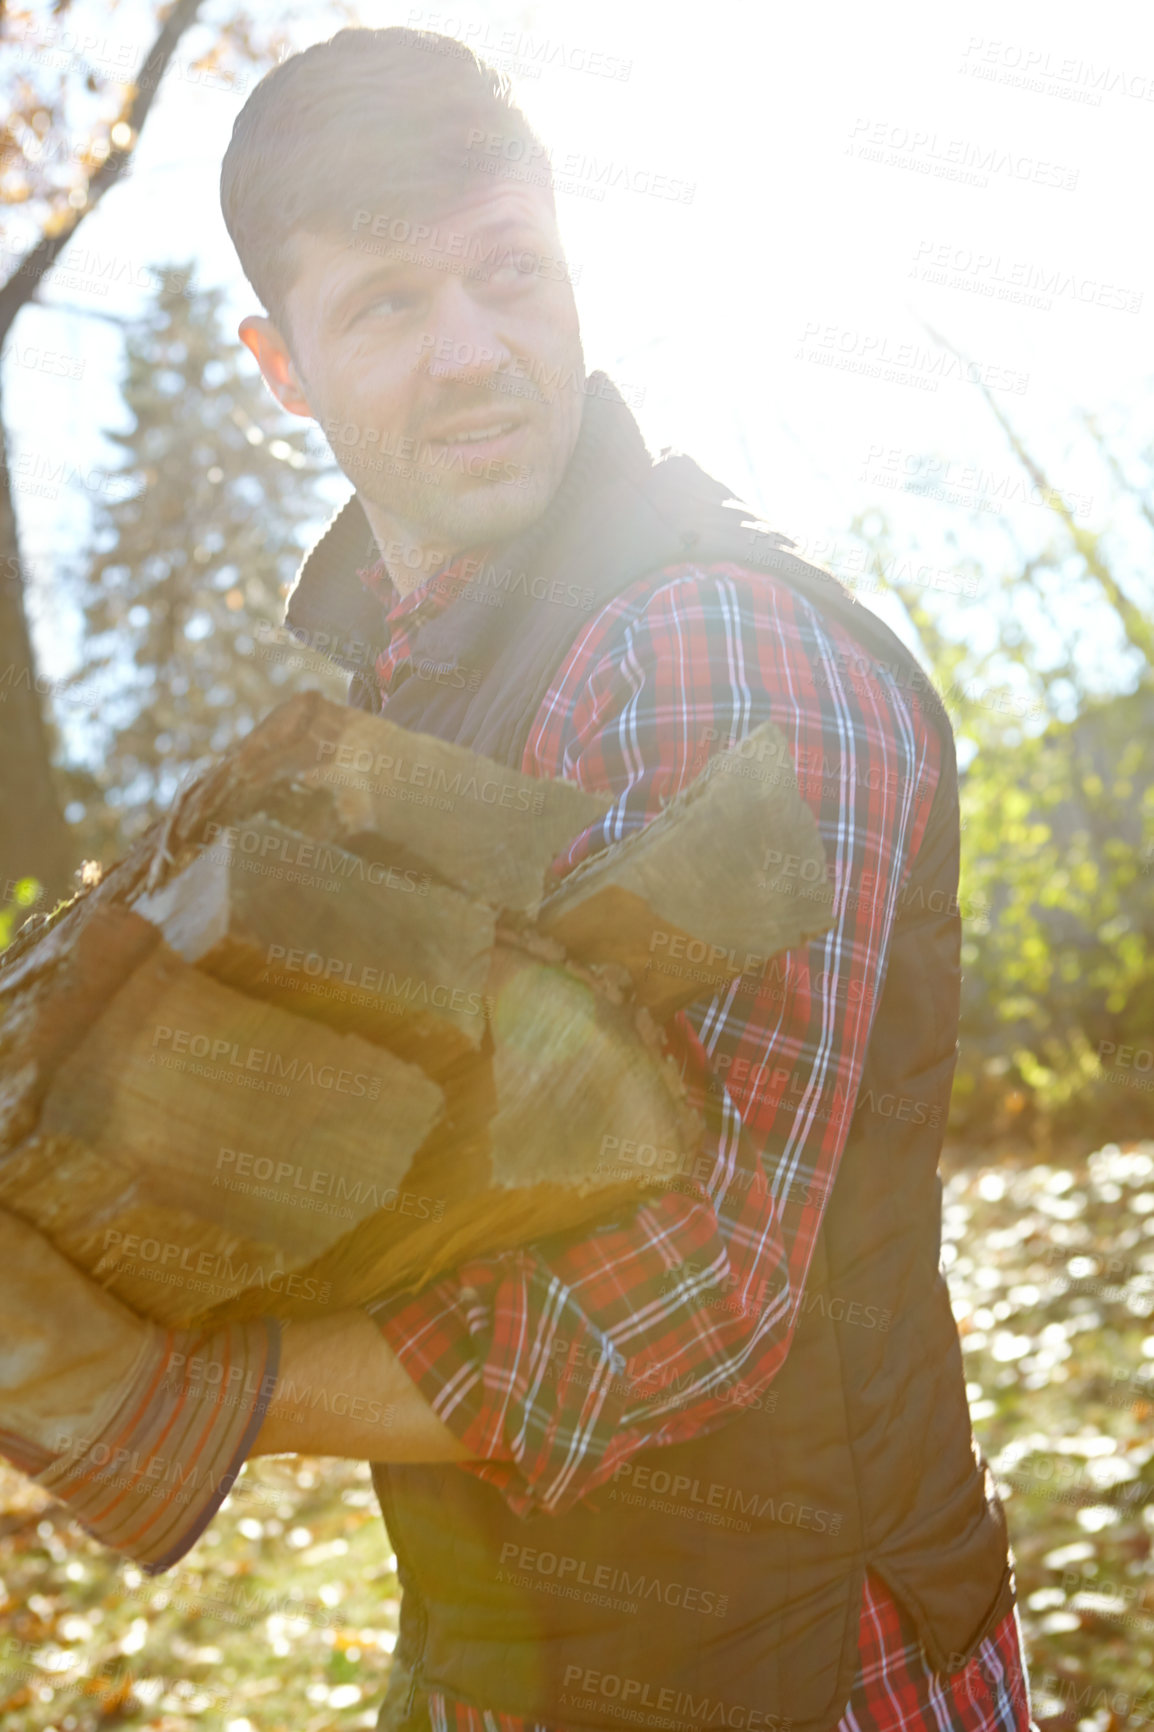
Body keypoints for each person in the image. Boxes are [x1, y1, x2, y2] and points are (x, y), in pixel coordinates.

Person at [0, 28, 1034, 1732]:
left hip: (789, 1667)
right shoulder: (411, 687)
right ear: (282, 367)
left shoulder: (708, 638)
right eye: (390, 307)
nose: (474, 352)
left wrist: (175, 1396)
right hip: (519, 1665)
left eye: (508, 274)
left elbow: (697, 1284)